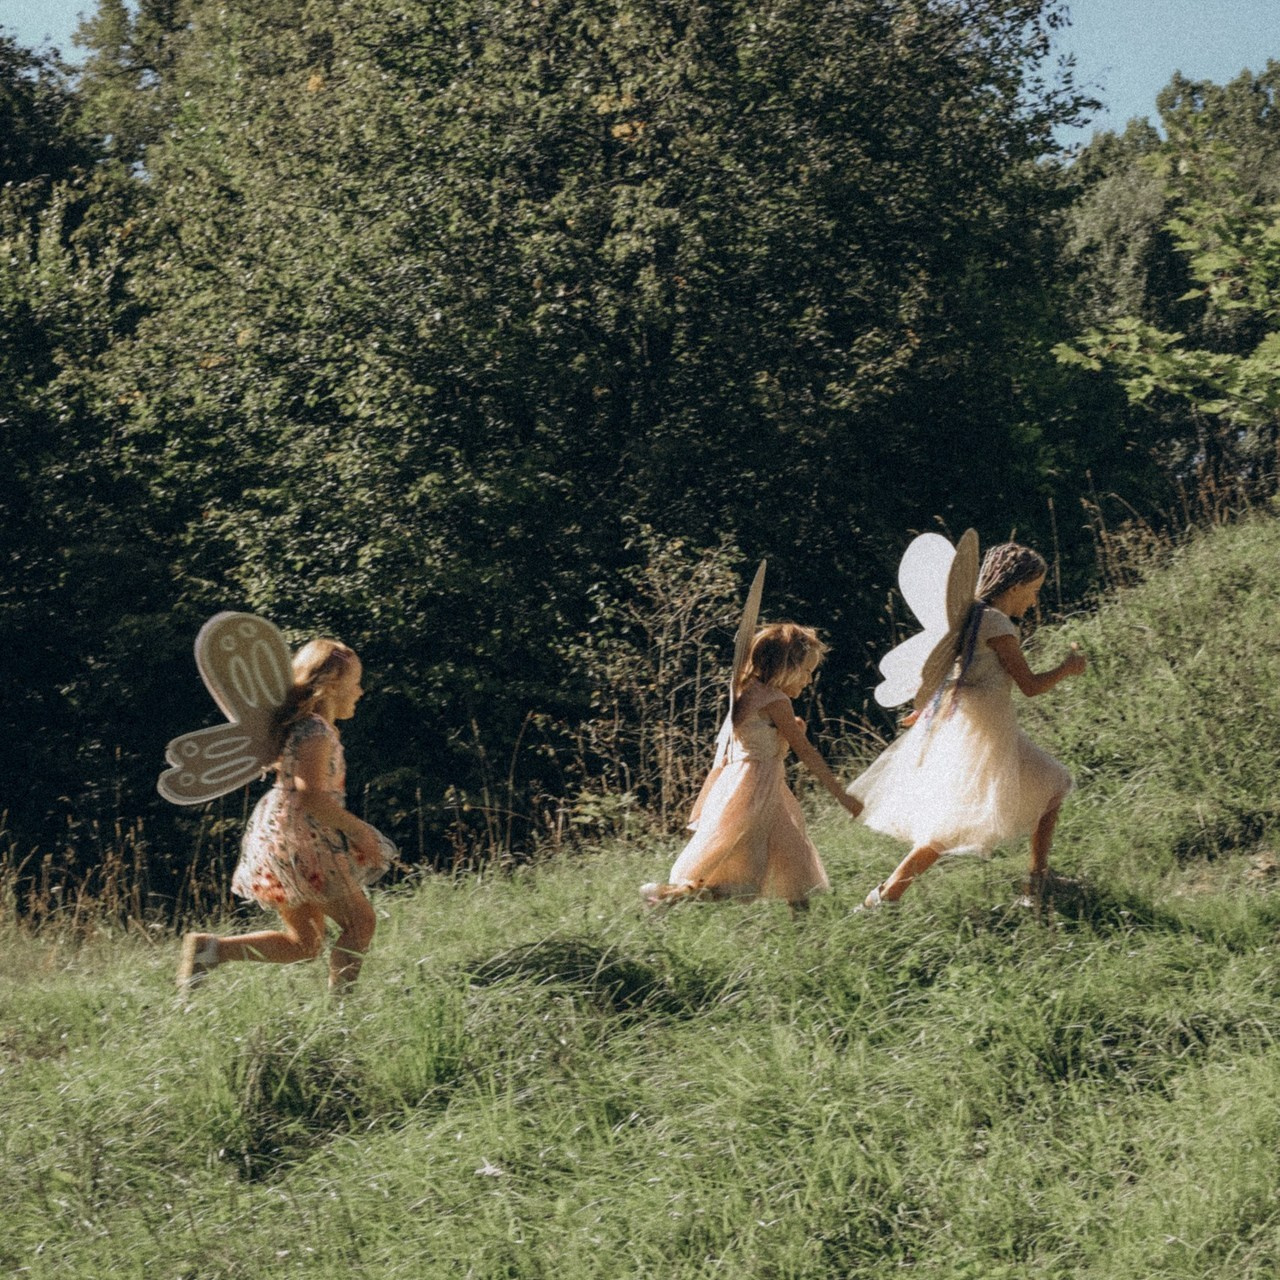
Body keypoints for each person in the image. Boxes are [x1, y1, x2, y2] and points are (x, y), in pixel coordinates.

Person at [849, 543, 1086, 909]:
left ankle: (1037, 883)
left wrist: (928, 708)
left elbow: (953, 673)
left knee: (1053, 783)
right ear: (1015, 586)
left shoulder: (971, 615)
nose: (1034, 601)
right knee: (953, 825)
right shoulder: (997, 625)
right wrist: (1067, 668)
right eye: (1034, 591)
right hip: (985, 733)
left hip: (980, 726)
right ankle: (884, 897)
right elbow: (1030, 686)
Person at [176, 639, 393, 993]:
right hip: (305, 840)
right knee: (360, 922)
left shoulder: (303, 727)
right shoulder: (316, 732)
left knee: (304, 944)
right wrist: (359, 831)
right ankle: (342, 1010)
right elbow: (310, 796)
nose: (361, 691)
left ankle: (209, 950)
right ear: (332, 686)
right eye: (355, 683)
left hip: (283, 837)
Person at [642, 623, 863, 914]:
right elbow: (806, 752)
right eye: (807, 671)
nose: (809, 680)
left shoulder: (745, 691)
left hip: (743, 784)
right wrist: (842, 796)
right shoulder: (776, 700)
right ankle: (669, 897)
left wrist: (787, 731)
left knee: (790, 855)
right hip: (759, 790)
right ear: (788, 668)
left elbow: (757, 740)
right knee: (740, 876)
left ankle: (805, 932)